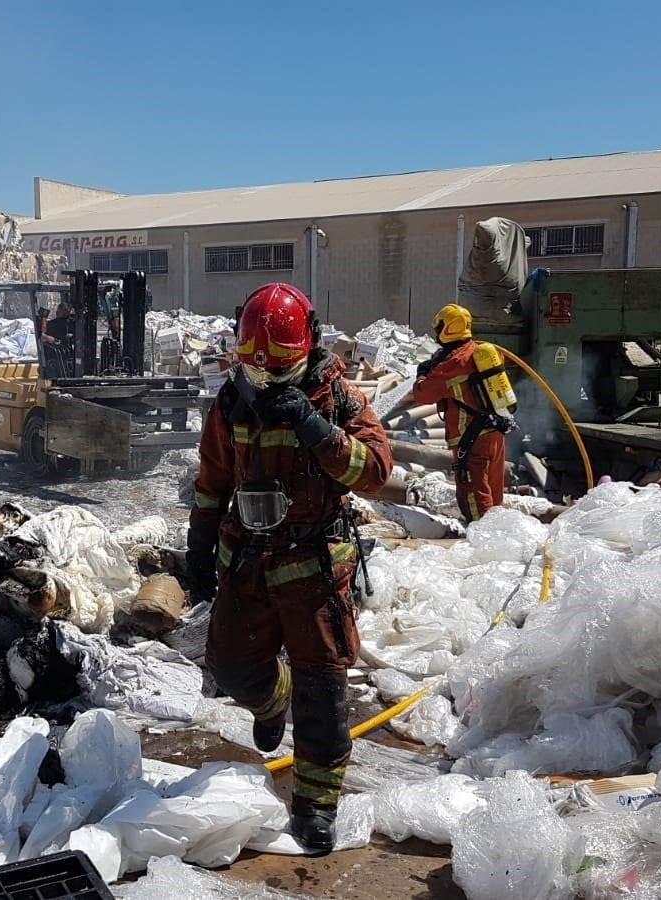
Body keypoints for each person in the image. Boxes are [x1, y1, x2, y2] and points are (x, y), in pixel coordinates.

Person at [187, 282, 392, 855]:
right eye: (256, 369)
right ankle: (272, 698)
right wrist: (199, 544)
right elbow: (211, 481)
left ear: (309, 348)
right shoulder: (232, 402)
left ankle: (315, 805)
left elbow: (376, 472)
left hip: (314, 568)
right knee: (230, 668)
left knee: (322, 691)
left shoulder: (337, 398)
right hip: (248, 563)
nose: (266, 380)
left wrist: (316, 429)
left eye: (279, 370)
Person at [411, 303, 516, 522]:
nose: (436, 333)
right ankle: (499, 532)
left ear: (447, 328)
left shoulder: (454, 362)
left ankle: (484, 536)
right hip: (495, 432)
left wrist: (423, 374)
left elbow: (423, 394)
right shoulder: (481, 351)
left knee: (475, 498)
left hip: (471, 437)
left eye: (439, 327)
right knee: (494, 494)